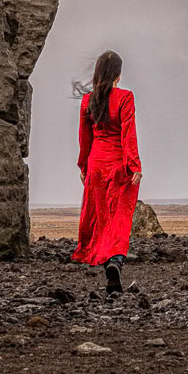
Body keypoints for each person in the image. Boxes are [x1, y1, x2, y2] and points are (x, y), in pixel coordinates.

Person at [72, 50, 141, 296]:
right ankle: (116, 261)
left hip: (96, 164)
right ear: (118, 75)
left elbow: (84, 138)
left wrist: (84, 166)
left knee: (101, 217)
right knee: (120, 216)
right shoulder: (125, 98)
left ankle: (109, 272)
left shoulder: (87, 101)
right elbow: (128, 133)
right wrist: (135, 165)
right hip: (119, 164)